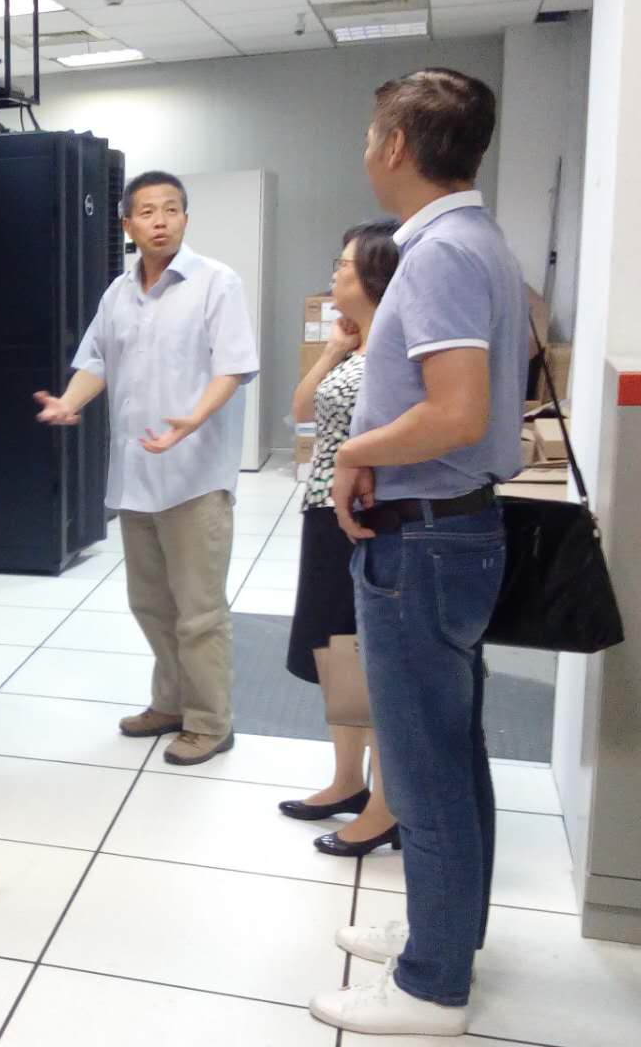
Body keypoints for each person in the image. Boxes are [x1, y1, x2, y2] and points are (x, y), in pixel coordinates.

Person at [308, 69, 527, 1038]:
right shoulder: (478, 242)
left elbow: (456, 412)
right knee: (454, 754)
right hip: (452, 532)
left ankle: (432, 985)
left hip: (424, 542)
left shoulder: (438, 254)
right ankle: (449, 932)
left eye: (371, 134)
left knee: (426, 767)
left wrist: (355, 451)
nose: (366, 149)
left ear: (396, 146)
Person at [34, 170, 259, 767]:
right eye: (148, 211)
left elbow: (234, 367)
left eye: (172, 209)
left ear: (185, 217)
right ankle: (172, 702)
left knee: (199, 610)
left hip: (195, 476)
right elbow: (96, 361)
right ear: (127, 223)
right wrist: (69, 403)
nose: (161, 221)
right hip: (136, 476)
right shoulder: (118, 293)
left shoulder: (216, 283)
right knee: (151, 603)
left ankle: (210, 722)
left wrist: (193, 419)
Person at [280, 219, 403, 857]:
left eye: (344, 265)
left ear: (377, 275)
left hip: (364, 518)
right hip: (324, 512)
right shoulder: (359, 347)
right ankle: (348, 780)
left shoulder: (398, 350)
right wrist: (332, 350)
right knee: (337, 653)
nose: (334, 272)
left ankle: (387, 805)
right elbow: (302, 410)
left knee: (368, 658)